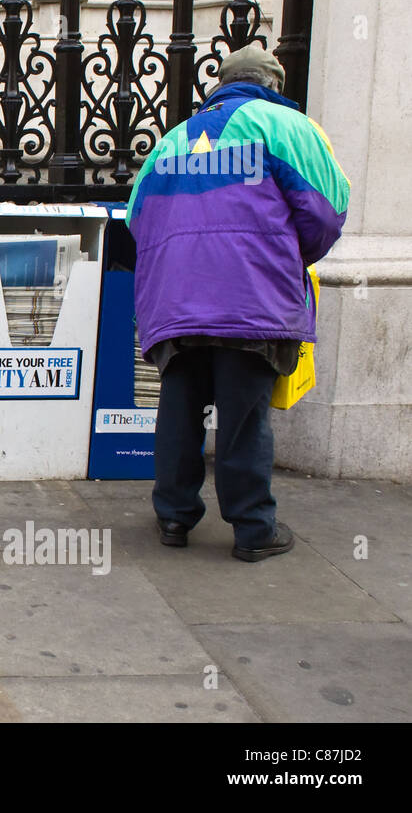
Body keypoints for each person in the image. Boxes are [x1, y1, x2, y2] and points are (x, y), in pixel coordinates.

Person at [125, 47, 349, 561]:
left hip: (177, 302)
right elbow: (327, 209)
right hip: (251, 299)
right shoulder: (286, 126)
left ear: (219, 83)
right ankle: (252, 529)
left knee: (179, 410)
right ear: (272, 82)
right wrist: (284, 256)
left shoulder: (173, 139)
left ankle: (174, 518)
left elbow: (138, 217)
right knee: (244, 417)